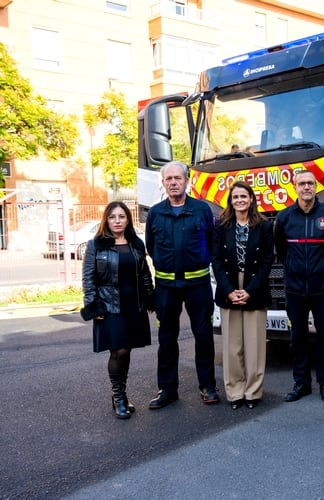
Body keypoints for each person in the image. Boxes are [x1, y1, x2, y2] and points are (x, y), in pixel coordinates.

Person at [145, 161, 220, 409]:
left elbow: (212, 243)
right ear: (164, 183)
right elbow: (150, 246)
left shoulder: (202, 210)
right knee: (167, 340)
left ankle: (207, 386)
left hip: (198, 285)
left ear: (187, 181)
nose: (174, 182)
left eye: (178, 178)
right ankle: (167, 389)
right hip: (166, 287)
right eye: (169, 179)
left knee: (204, 337)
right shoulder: (155, 213)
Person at [274, 169, 324, 403]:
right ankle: (301, 384)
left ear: (316, 187)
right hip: (294, 290)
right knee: (297, 337)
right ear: (295, 187)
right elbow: (282, 252)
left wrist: (323, 270)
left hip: (323, 289)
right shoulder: (284, 218)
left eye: (310, 183)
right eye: (302, 183)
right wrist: (294, 269)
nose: (306, 188)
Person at [82, 202, 154, 419]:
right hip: (110, 305)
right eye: (112, 217)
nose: (117, 221)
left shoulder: (136, 243)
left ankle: (120, 393)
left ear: (128, 219)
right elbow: (89, 278)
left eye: (121, 216)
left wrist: (151, 298)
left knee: (127, 350)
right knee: (119, 350)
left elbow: (144, 274)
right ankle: (119, 396)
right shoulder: (96, 245)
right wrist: (93, 305)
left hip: (134, 304)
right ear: (106, 219)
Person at [212, 182, 274, 410]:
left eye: (243, 196)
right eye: (235, 196)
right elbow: (216, 260)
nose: (239, 200)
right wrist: (229, 291)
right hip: (229, 287)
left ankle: (253, 392)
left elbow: (267, 261)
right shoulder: (220, 226)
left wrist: (249, 290)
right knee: (232, 346)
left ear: (251, 199)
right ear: (231, 200)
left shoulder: (264, 226)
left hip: (254, 288)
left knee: (254, 345)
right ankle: (235, 392)